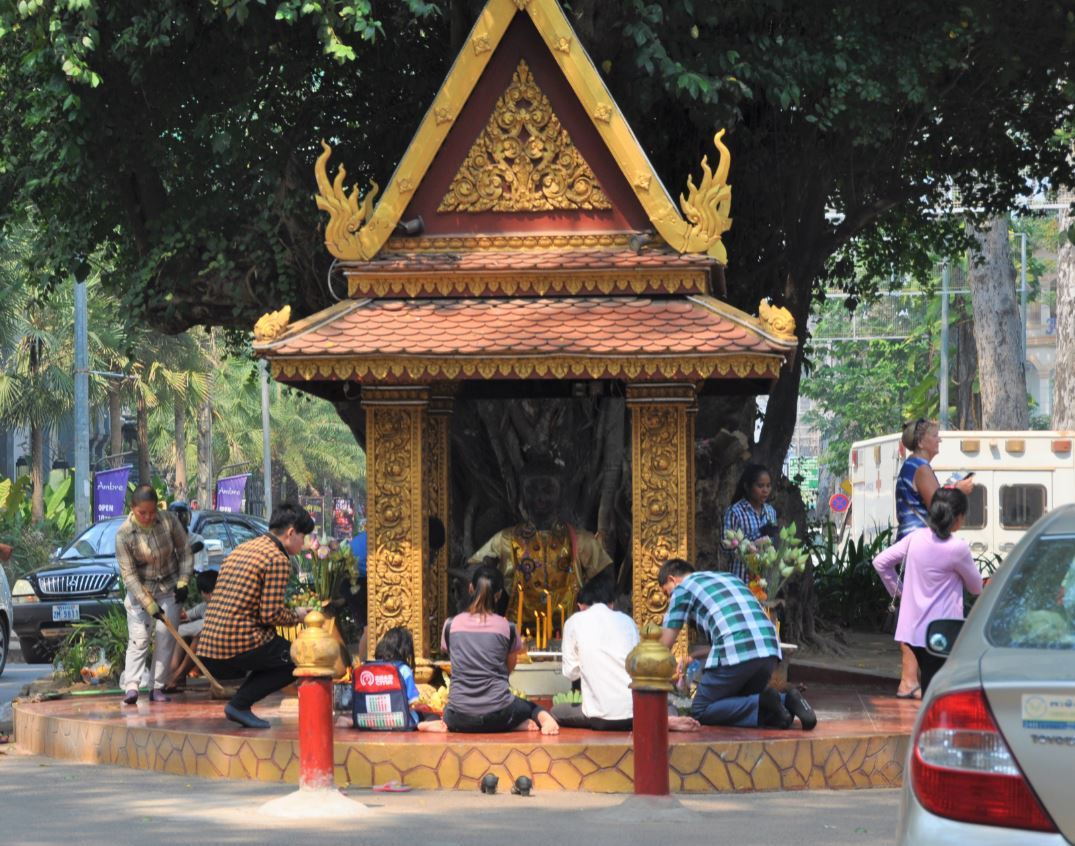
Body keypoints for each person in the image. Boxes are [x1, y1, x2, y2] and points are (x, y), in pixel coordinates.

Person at [658, 559, 816, 730]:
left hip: (737, 652)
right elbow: (729, 636)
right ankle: (788, 699)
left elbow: (662, 646)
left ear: (672, 579)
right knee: (735, 702)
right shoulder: (729, 578)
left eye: (667, 593)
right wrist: (693, 656)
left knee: (700, 710)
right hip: (769, 648)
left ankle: (766, 701)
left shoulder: (682, 589)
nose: (669, 599)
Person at [197, 502, 314, 729]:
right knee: (295, 659)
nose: (305, 543)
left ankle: (240, 703)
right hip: (236, 642)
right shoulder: (278, 559)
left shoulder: (242, 549)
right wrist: (297, 615)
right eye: (303, 536)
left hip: (208, 645)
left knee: (276, 651)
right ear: (291, 533)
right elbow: (270, 614)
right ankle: (239, 704)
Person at [468, 455, 611, 637]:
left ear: (562, 492)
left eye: (548, 489)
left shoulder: (582, 540)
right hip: (516, 634)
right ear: (521, 493)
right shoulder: (505, 539)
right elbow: (474, 571)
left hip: (570, 632)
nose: (540, 497)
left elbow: (605, 581)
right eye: (532, 490)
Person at [420, 565, 560, 735]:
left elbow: (455, 659)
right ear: (499, 594)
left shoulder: (450, 625)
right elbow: (510, 666)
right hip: (499, 714)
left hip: (458, 718)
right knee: (529, 706)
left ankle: (433, 724)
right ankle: (537, 720)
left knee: (441, 712)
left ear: (471, 588)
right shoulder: (507, 627)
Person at [893, 418, 975, 699]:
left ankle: (909, 679)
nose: (939, 439)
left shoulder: (913, 466)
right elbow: (937, 504)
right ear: (921, 441)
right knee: (919, 613)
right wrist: (958, 491)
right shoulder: (920, 467)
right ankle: (909, 679)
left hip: (910, 542)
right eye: (935, 435)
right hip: (919, 543)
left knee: (914, 611)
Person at [554, 577, 700, 732]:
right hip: (637, 711)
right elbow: (638, 665)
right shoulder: (627, 621)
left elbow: (571, 673)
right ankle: (661, 719)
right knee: (667, 705)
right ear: (611, 604)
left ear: (581, 606)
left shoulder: (574, 621)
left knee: (555, 711)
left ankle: (659, 720)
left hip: (600, 718)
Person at [874, 487, 982, 692]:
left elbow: (880, 562)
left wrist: (900, 593)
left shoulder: (915, 538)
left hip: (913, 631)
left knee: (928, 687)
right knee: (938, 690)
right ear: (957, 517)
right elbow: (976, 587)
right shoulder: (957, 547)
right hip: (942, 631)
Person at [114, 484, 192, 705]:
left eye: (152, 512)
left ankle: (157, 686)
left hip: (170, 587)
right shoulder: (123, 535)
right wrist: (148, 603)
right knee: (139, 639)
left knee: (166, 638)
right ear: (133, 508)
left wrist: (184, 581)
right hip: (141, 591)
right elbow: (128, 575)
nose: (148, 517)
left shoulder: (168, 521)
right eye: (142, 513)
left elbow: (185, 551)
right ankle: (131, 687)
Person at [163, 570, 217, 692]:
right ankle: (173, 675)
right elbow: (186, 617)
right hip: (208, 654)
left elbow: (201, 627)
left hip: (221, 653)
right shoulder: (204, 607)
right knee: (182, 635)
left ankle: (177, 676)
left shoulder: (221, 607)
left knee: (199, 636)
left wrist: (178, 627)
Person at [722, 464, 778, 582]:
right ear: (747, 487)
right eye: (760, 486)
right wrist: (751, 545)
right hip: (741, 579)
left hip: (764, 581)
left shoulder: (771, 512)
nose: (765, 490)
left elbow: (772, 545)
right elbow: (726, 549)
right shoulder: (735, 512)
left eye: (768, 486)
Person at [168, 500, 208, 572]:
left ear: (188, 519)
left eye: (183, 517)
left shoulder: (197, 540)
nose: (179, 522)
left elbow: (201, 566)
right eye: (175, 519)